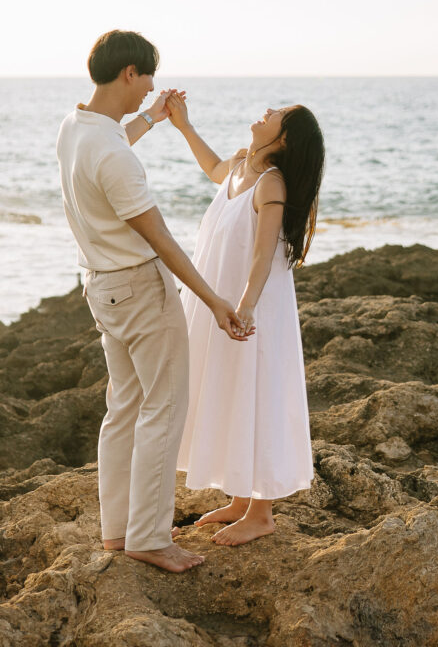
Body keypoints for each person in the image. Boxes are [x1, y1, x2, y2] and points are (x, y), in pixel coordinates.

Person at [56, 30, 253, 574]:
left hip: (101, 286)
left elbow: (114, 142)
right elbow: (161, 239)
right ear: (129, 74)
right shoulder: (112, 154)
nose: (150, 89)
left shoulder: (76, 128)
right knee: (163, 409)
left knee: (123, 408)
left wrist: (155, 120)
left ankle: (117, 532)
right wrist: (213, 299)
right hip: (140, 289)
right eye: (147, 79)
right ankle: (149, 536)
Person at [169, 92, 325, 546]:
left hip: (256, 305)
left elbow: (262, 254)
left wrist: (247, 305)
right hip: (223, 299)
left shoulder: (271, 184)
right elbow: (215, 170)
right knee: (232, 387)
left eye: (278, 115)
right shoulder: (241, 167)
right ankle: (240, 499)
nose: (268, 111)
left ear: (284, 139)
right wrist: (183, 125)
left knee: (259, 392)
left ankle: (261, 513)